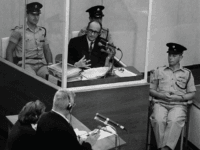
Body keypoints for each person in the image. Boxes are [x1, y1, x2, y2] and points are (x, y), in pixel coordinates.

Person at [149, 43, 196, 150]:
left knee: (174, 121)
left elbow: (192, 93)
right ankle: (165, 148)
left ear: (181, 57)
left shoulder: (187, 73)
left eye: (174, 56)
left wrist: (178, 98)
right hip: (160, 103)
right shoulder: (159, 70)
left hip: (178, 105)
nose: (170, 58)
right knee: (158, 119)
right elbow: (151, 89)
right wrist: (160, 95)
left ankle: (164, 148)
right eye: (169, 55)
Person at [6, 2, 53, 79]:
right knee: (32, 81)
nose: (36, 17)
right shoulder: (19, 31)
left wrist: (50, 65)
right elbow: (9, 50)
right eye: (33, 14)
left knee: (52, 79)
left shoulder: (42, 31)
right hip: (25, 64)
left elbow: (47, 50)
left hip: (40, 65)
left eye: (37, 14)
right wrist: (12, 70)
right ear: (27, 15)